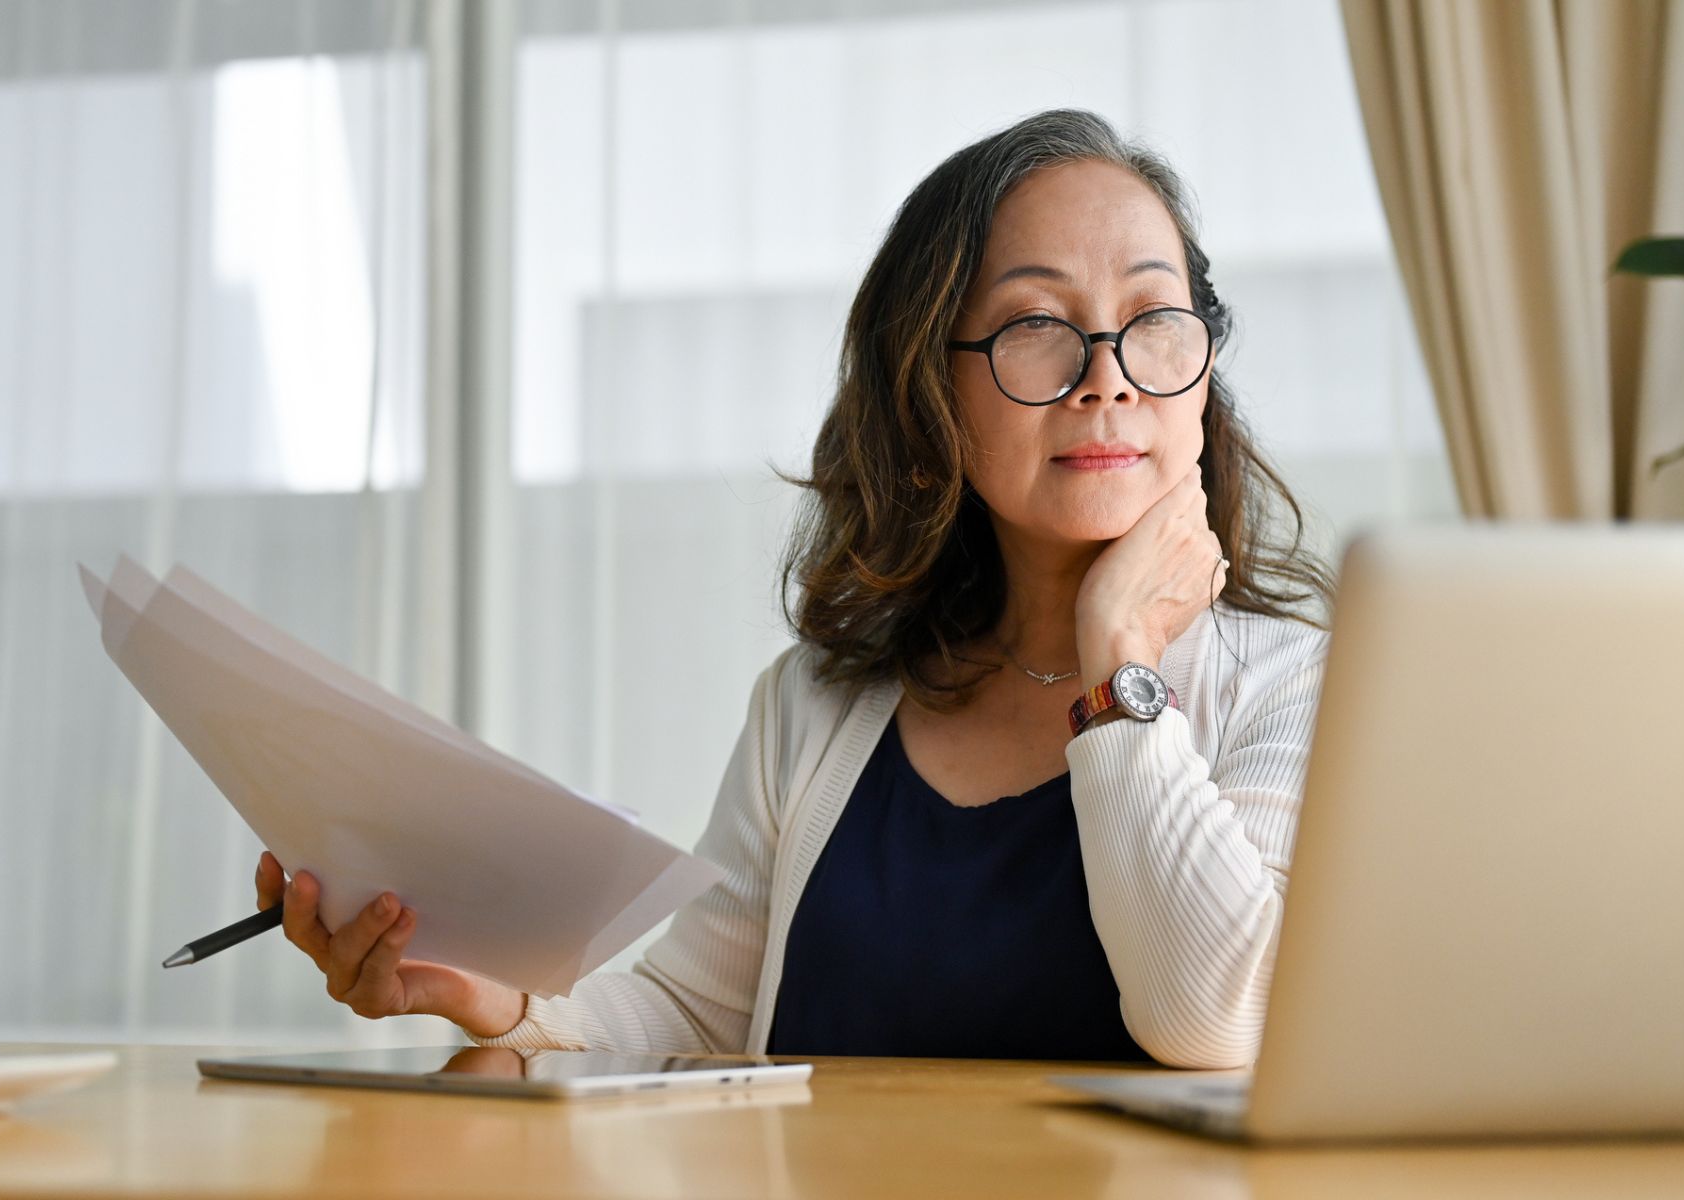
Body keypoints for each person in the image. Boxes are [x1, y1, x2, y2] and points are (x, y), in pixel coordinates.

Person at [253, 108, 1333, 1069]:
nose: (1106, 373)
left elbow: (1211, 1020)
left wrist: (1120, 665)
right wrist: (500, 1004)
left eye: (1152, 319)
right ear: (931, 393)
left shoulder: (1291, 686)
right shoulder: (811, 705)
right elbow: (692, 1012)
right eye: (1036, 327)